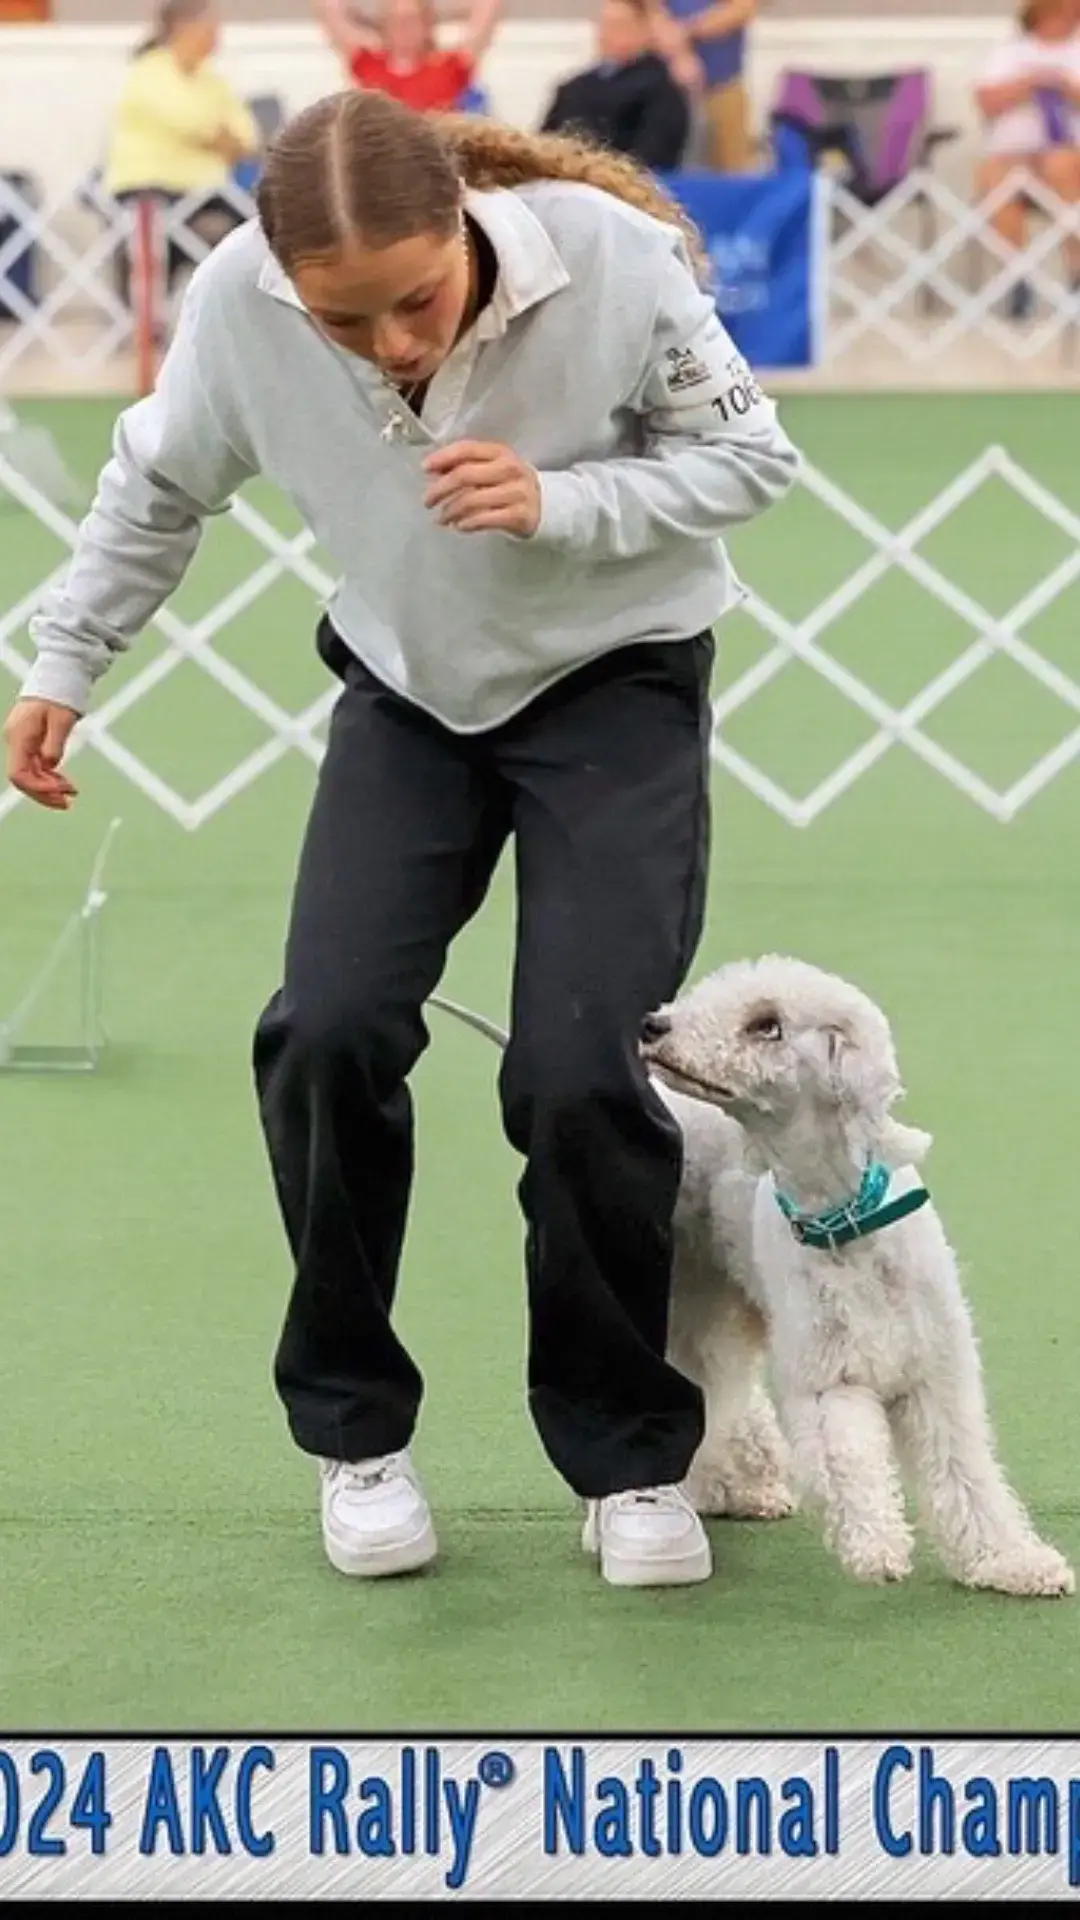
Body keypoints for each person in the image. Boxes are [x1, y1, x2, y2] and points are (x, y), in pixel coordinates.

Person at [3, 90, 799, 1590]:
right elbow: (159, 487)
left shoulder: (612, 259)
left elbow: (751, 461)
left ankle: (633, 1457)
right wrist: (63, 666)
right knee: (327, 1032)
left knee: (577, 1072)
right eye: (345, 323)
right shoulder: (243, 300)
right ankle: (355, 1436)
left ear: (466, 228)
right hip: (412, 690)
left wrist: (561, 498)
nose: (393, 350)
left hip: (620, 682)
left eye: (415, 304)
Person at [103, 0, 261, 310]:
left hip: (206, 189)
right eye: (211, 28)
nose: (218, 36)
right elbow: (188, 121)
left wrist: (222, 138)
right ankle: (147, 319)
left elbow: (247, 134)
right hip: (149, 188)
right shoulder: (148, 70)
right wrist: (219, 137)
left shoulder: (211, 79)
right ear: (183, 28)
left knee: (256, 228)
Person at [974, 0, 1080, 318]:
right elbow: (987, 101)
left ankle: (1077, 272)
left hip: (1070, 153)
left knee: (1060, 164)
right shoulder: (1009, 52)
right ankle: (1017, 277)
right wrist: (1029, 83)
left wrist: (1064, 87)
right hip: (1014, 154)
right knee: (995, 176)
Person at [540, 0, 693, 175]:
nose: (607, 33)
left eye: (618, 25)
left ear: (643, 30)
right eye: (604, 24)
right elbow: (544, 143)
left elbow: (651, 156)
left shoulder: (662, 90)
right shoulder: (573, 88)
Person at [313, 0, 503, 114]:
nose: (403, 27)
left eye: (412, 19)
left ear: (427, 25)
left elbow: (488, 9)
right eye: (396, 19)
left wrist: (447, 15)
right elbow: (329, 10)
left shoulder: (450, 68)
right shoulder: (369, 65)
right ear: (384, 25)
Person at [651, 0, 757, 174]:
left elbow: (742, 8)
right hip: (666, 86)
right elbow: (650, 11)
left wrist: (687, 31)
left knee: (733, 170)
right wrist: (678, 51)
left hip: (723, 84)